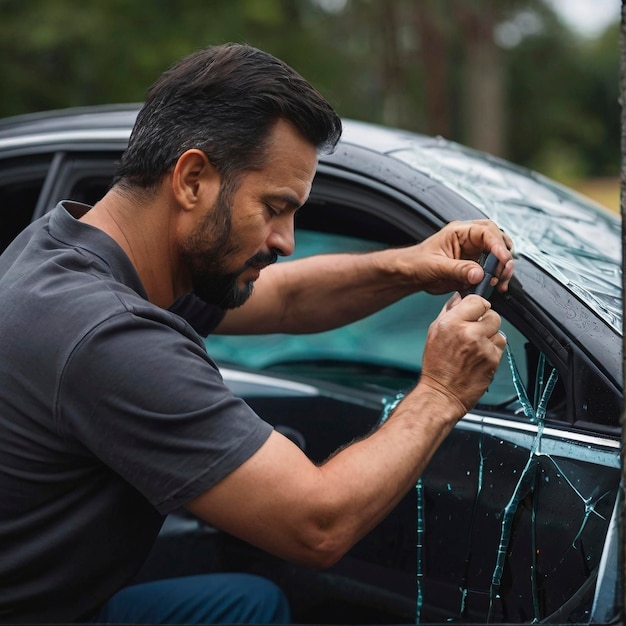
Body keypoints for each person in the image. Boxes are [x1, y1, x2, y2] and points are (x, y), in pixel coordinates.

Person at [0, 43, 514, 624]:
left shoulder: (64, 247)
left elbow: (287, 299)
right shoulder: (107, 336)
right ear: (192, 178)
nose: (285, 239)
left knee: (251, 604)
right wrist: (442, 392)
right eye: (275, 207)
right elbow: (317, 525)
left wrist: (408, 265)